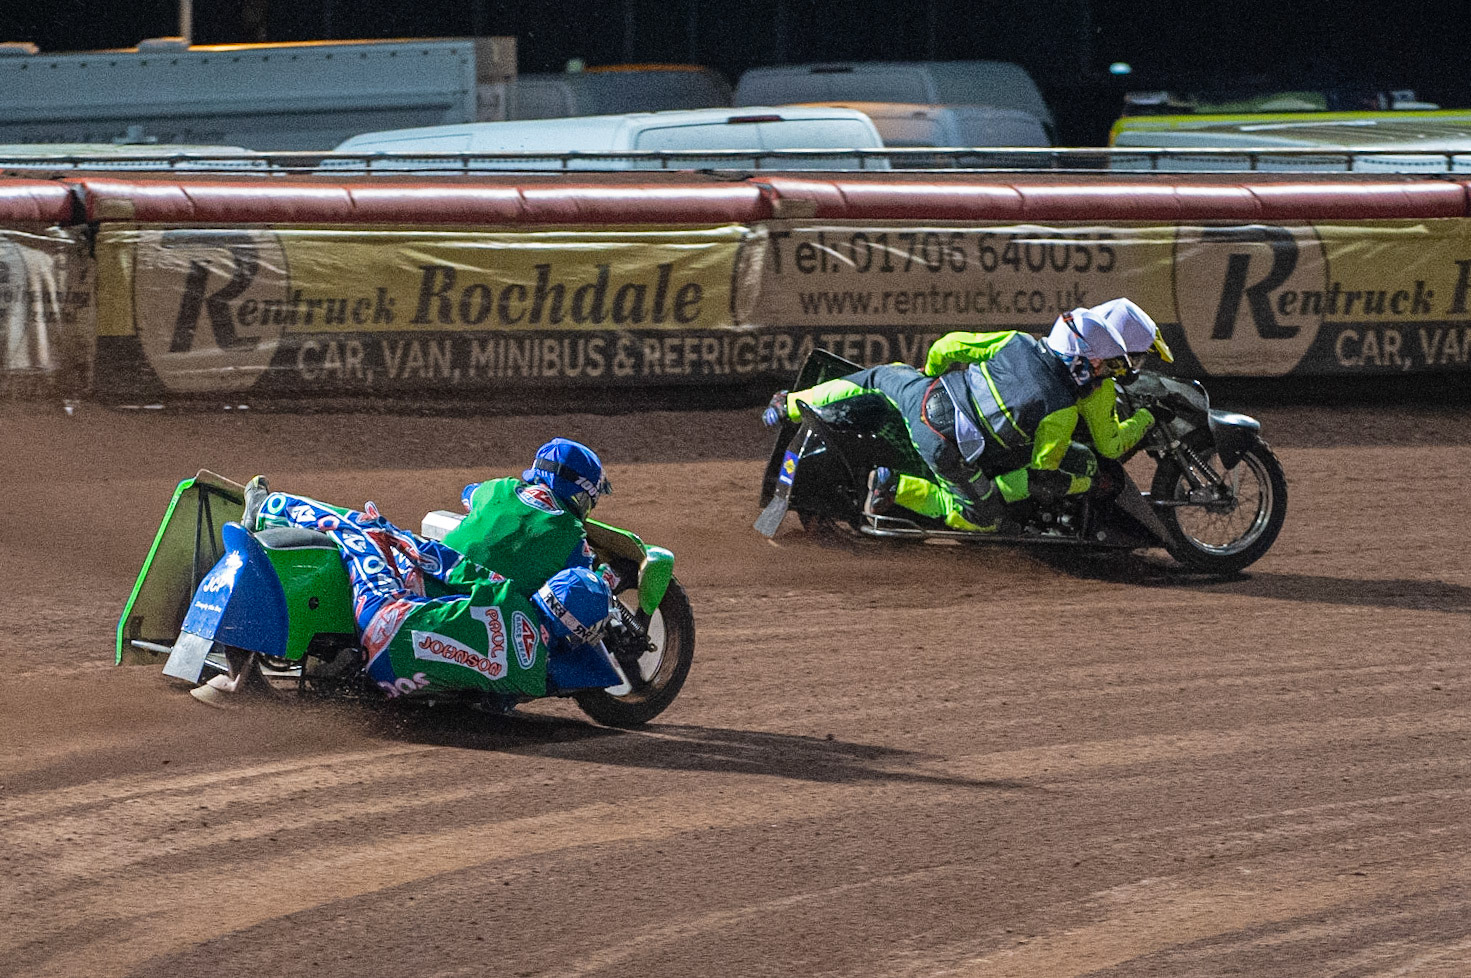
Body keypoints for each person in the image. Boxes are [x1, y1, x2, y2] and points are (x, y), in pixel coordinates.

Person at [763, 298, 1173, 532]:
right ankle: (893, 487)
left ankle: (792, 404)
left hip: (924, 396)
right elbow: (1042, 472)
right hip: (947, 448)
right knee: (983, 516)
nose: (1113, 370)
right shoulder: (1061, 411)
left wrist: (930, 376)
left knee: (874, 377)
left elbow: (949, 345)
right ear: (1089, 362)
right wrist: (1146, 422)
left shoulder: (1016, 342)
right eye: (1110, 363)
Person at [248, 488, 615, 701]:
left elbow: (449, 563)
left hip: (386, 616)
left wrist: (391, 534)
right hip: (396, 682)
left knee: (359, 526)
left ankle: (269, 507)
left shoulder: (506, 596)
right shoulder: (536, 680)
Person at [440, 438, 612, 597]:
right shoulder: (573, 535)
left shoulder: (501, 487)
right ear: (582, 491)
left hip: (436, 575)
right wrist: (609, 576)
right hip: (485, 611)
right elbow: (586, 590)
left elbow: (468, 492)